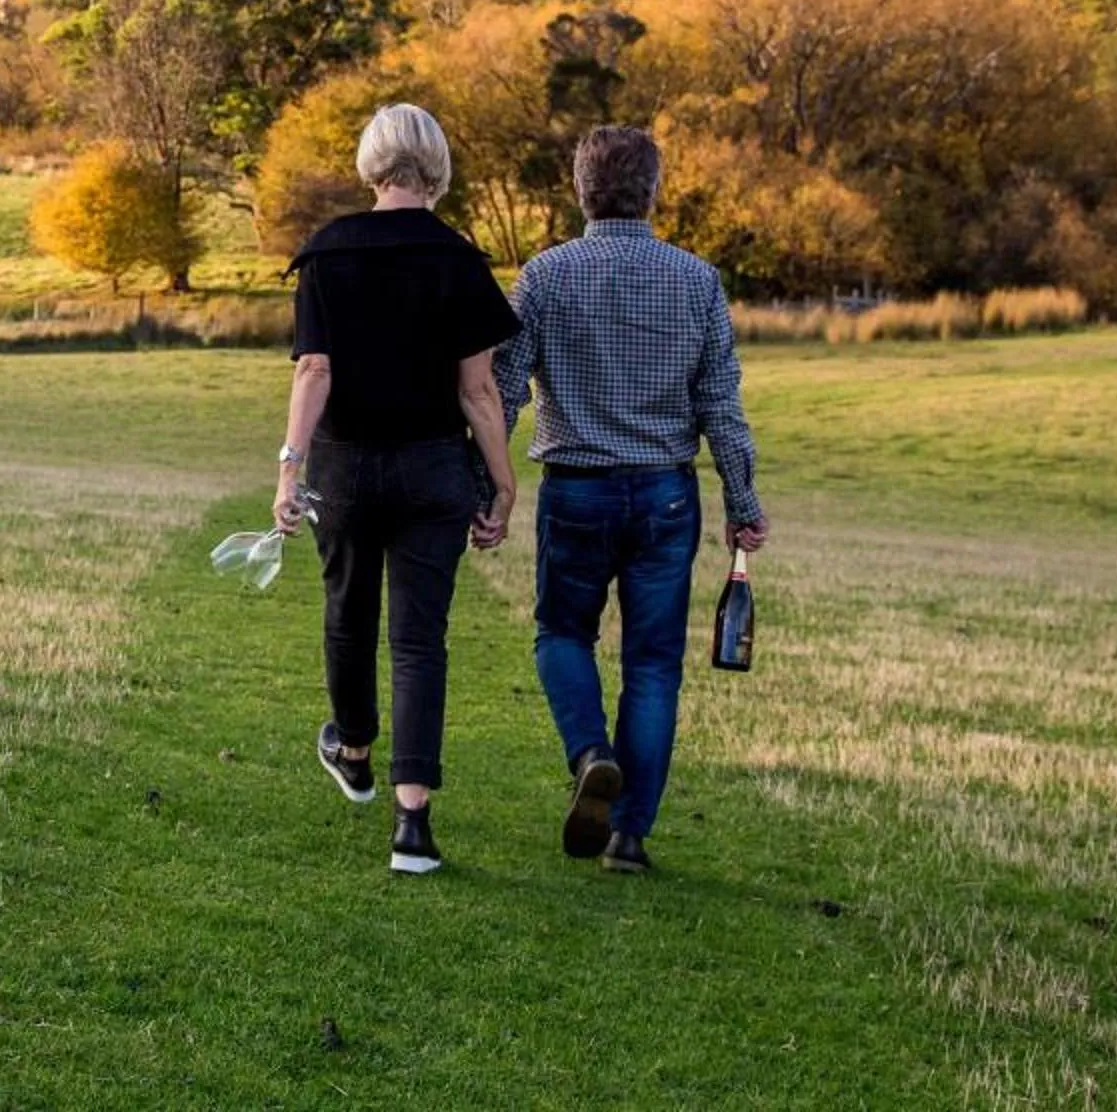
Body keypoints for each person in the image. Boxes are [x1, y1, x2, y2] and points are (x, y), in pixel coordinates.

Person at [494, 124, 769, 876]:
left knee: (560, 636)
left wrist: (483, 482)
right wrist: (743, 503)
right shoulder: (696, 280)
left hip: (576, 490)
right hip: (665, 496)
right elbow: (721, 404)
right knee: (653, 666)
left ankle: (589, 753)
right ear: (653, 190)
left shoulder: (546, 276)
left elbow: (505, 390)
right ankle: (629, 836)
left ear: (580, 190)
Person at [275, 103, 521, 874]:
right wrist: (504, 485)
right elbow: (479, 392)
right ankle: (412, 826)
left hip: (344, 466)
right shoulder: (460, 260)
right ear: (435, 169)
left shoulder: (325, 254)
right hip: (432, 469)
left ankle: (353, 751)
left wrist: (289, 467)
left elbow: (315, 370)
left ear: (372, 164)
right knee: (419, 643)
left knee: (347, 616)